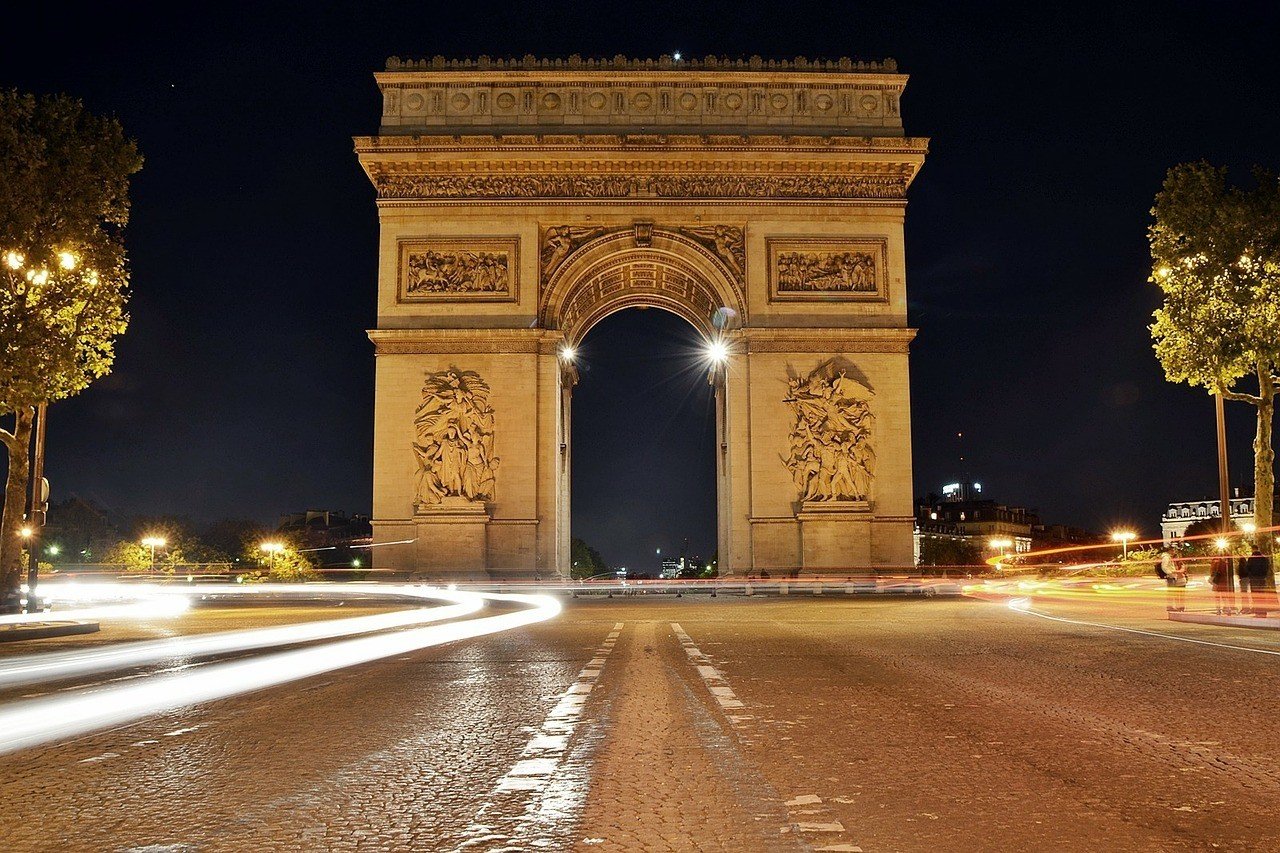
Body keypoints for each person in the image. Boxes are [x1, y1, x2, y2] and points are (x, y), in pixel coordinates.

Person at [1242, 546, 1275, 617]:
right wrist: (1264, 575)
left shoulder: (1251, 558)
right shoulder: (1264, 558)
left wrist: (1251, 575)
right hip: (1262, 578)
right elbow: (1267, 567)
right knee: (1262, 595)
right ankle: (1263, 612)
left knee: (1255, 596)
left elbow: (1247, 569)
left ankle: (1258, 612)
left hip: (1254, 579)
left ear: (1252, 549)